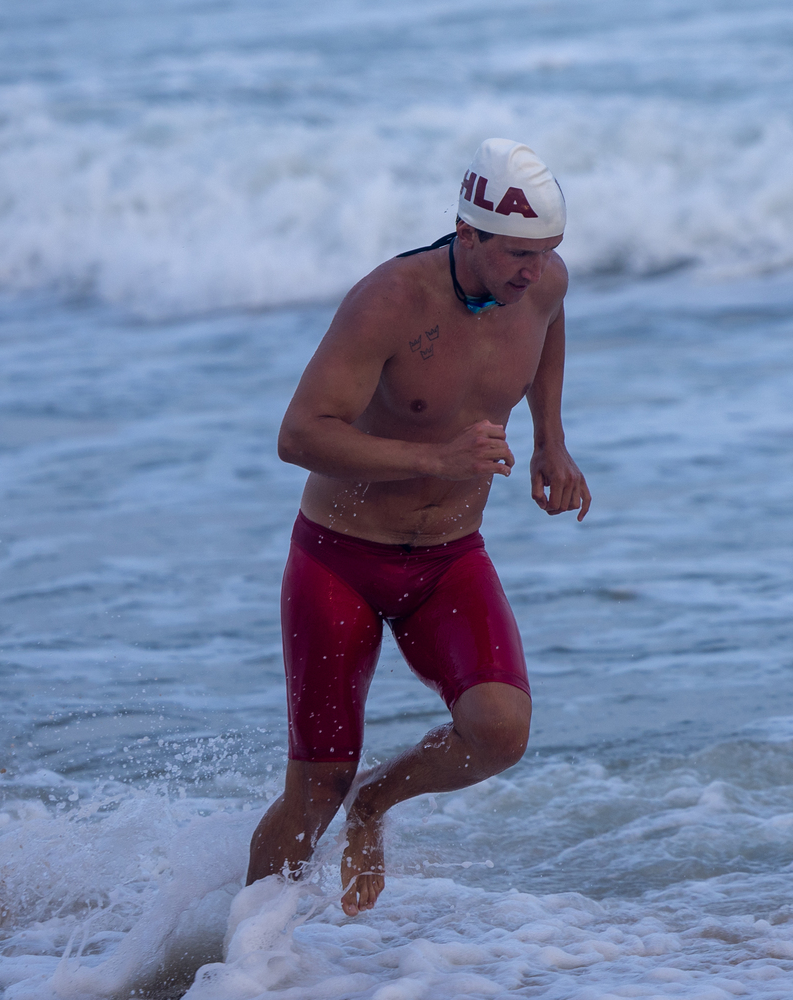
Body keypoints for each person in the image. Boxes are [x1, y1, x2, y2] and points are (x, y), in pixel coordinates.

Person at [246, 139, 589, 916]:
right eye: (516, 256)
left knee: (499, 731)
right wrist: (434, 455)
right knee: (316, 786)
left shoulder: (541, 284)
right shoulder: (389, 301)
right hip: (340, 560)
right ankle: (246, 958)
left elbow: (549, 322)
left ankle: (377, 805)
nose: (534, 274)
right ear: (467, 233)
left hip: (447, 560)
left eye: (548, 254)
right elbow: (297, 435)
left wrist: (552, 441)